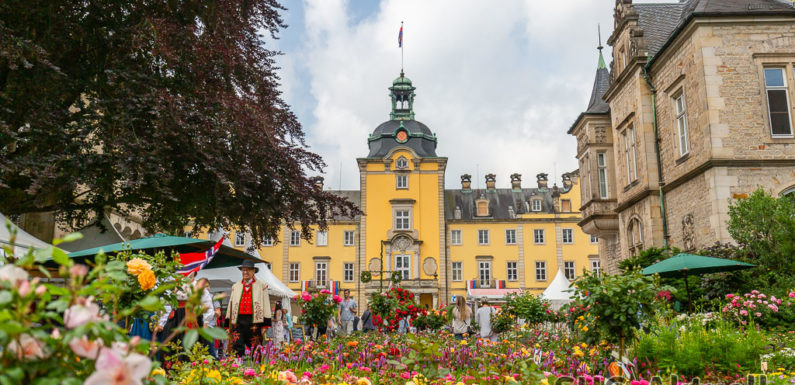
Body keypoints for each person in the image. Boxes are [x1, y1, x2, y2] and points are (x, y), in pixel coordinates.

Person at [226, 260, 271, 357]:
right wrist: (227, 324)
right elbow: (230, 305)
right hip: (238, 322)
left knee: (256, 349)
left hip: (254, 322)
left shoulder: (262, 286)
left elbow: (266, 304)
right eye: (243, 270)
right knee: (236, 348)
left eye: (248, 270)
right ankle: (237, 365)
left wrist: (265, 325)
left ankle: (257, 366)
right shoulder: (236, 286)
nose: (245, 272)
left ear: (254, 271)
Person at [197, 278, 219, 358]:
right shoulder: (197, 297)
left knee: (210, 348)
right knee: (199, 348)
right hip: (198, 325)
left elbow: (218, 312)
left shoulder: (213, 297)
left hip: (210, 325)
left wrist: (214, 313)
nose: (206, 288)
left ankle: (213, 363)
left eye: (207, 286)